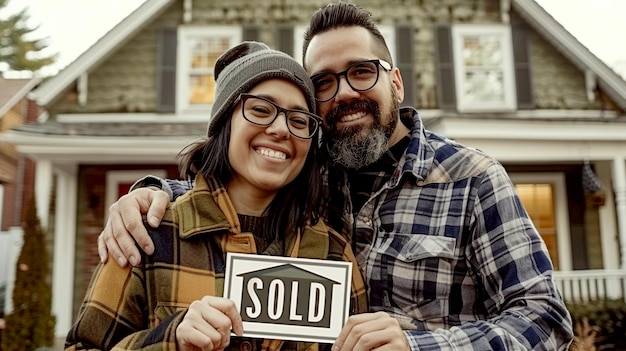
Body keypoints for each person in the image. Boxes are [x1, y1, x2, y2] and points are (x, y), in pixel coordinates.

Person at [99, 2, 574, 350]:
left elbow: (546, 319)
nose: (344, 92)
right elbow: (238, 189)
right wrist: (152, 195)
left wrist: (420, 347)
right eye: (323, 81)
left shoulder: (473, 179)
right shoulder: (311, 173)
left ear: (396, 81)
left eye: (361, 71)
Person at [66, 41, 368, 351]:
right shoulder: (147, 237)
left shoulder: (333, 252)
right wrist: (171, 340)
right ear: (225, 123)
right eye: (261, 110)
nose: (282, 129)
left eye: (299, 120)